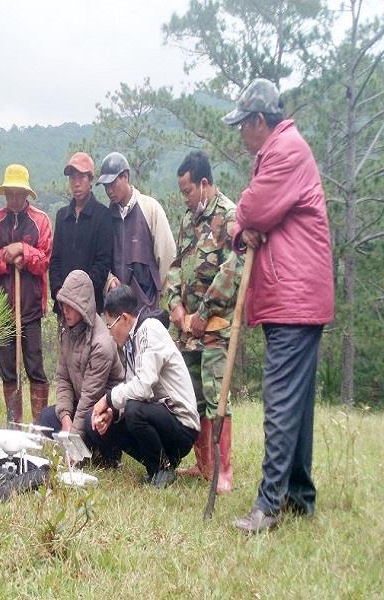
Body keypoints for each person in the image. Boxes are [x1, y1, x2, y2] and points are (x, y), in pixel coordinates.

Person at [222, 78, 334, 533]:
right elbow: (249, 222)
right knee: (298, 403)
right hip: (297, 295)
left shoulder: (285, 150)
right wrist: (241, 228)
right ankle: (299, 497)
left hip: (293, 296)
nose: (240, 135)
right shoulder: (283, 149)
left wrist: (241, 223)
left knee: (282, 402)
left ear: (259, 121)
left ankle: (268, 506)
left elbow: (250, 210)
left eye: (242, 126)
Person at [164, 151, 241, 494]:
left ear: (204, 184)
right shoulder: (186, 221)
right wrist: (176, 306)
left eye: (188, 191)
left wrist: (203, 313)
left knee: (216, 395)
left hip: (215, 327)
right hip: (186, 331)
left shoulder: (229, 216)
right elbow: (176, 266)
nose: (185, 198)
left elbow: (233, 271)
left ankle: (224, 472)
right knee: (192, 397)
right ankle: (203, 463)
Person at [90, 285, 200, 488]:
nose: (110, 332)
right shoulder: (132, 342)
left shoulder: (151, 329)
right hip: (161, 417)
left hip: (182, 426)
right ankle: (157, 467)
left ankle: (163, 468)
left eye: (109, 325)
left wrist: (107, 398)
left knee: (133, 410)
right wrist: (112, 413)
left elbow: (142, 388)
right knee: (113, 420)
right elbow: (132, 388)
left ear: (124, 318)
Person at [0, 164, 53, 424]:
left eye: (18, 193)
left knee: (35, 368)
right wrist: (7, 256)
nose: (14, 198)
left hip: (31, 308)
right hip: (1, 309)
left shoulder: (41, 221)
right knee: (8, 371)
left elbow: (44, 260)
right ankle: (14, 425)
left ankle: (39, 427)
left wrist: (24, 249)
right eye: (9, 193)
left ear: (26, 194)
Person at [37, 270, 124, 462]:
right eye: (63, 305)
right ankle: (85, 449)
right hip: (82, 405)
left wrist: (73, 440)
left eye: (70, 306)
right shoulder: (66, 333)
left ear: (83, 305)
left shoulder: (102, 343)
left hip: (106, 411)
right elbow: (63, 379)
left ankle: (108, 453)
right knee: (46, 418)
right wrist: (66, 420)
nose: (65, 310)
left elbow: (90, 397)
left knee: (89, 420)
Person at [96, 152, 176, 310]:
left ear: (125, 176)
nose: (109, 190)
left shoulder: (150, 208)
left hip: (148, 306)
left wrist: (164, 301)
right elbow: (100, 260)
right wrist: (109, 280)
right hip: (118, 311)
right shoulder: (106, 217)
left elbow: (167, 256)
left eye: (112, 183)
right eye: (106, 186)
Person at [49, 152, 113, 314]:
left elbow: (103, 262)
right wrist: (58, 291)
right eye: (72, 178)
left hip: (91, 306)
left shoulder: (102, 216)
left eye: (81, 178)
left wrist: (80, 294)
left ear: (90, 179)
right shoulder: (62, 216)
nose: (76, 183)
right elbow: (55, 259)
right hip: (64, 305)